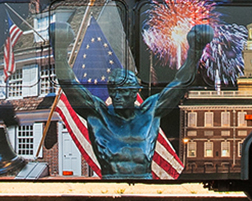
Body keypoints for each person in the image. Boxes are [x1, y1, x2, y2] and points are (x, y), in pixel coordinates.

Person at [51, 21, 210, 178]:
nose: (117, 96)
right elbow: (69, 82)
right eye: (113, 90)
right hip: (111, 186)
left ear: (135, 92)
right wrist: (59, 50)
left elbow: (181, 81)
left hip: (145, 187)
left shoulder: (150, 111)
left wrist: (196, 50)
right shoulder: (99, 114)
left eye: (124, 91)